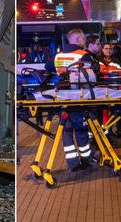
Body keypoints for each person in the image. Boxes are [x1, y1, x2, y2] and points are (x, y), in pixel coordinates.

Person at [45, 29, 96, 172]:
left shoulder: (58, 55)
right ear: (78, 39)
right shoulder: (83, 55)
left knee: (66, 130)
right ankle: (87, 159)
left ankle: (72, 163)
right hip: (78, 96)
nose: (84, 41)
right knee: (81, 129)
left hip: (62, 96)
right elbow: (94, 74)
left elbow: (48, 67)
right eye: (83, 38)